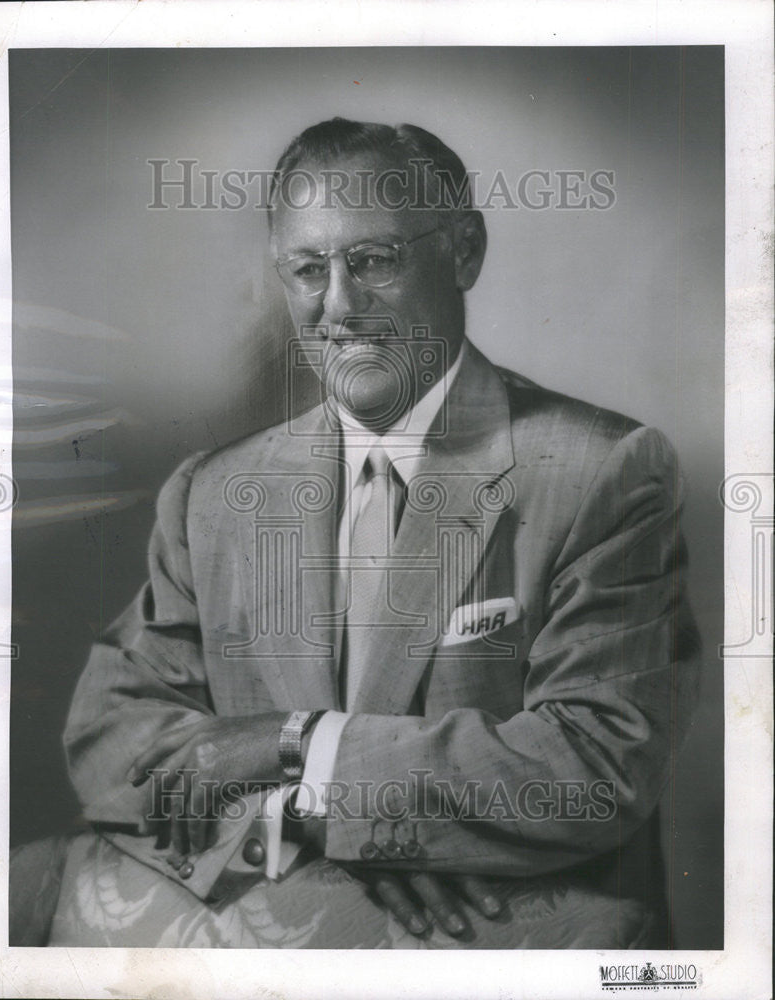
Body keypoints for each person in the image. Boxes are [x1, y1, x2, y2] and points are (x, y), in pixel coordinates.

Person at [50, 118, 700, 949]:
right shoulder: (212, 494)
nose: (339, 308)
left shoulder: (605, 470)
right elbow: (111, 735)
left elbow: (594, 766)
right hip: (290, 924)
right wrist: (324, 819)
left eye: (375, 261)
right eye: (307, 269)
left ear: (464, 252)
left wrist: (294, 745)